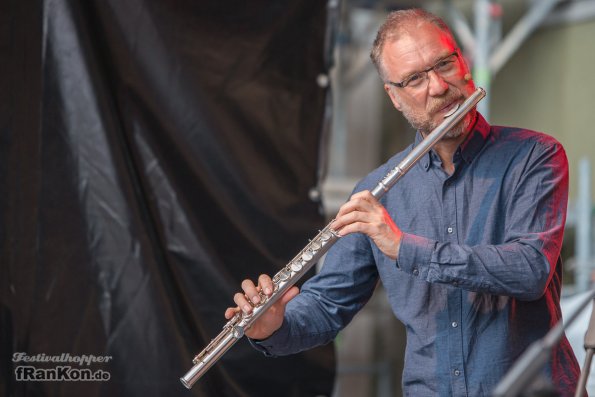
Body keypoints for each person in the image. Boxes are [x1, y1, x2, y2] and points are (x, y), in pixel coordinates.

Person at [225, 8, 581, 396]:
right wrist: (274, 326)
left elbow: (528, 270)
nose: (439, 87)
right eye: (414, 79)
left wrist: (403, 247)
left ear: (464, 62)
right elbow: (328, 303)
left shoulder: (534, 156)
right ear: (394, 96)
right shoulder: (377, 190)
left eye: (444, 64)